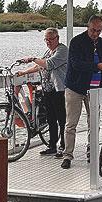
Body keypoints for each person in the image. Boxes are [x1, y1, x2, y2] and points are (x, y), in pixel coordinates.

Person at [61, 15, 102, 169]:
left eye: (99, 31)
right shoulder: (77, 42)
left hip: (95, 91)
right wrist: (97, 66)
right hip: (75, 88)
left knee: (94, 124)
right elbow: (76, 64)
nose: (96, 34)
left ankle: (91, 153)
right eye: (93, 30)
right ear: (88, 26)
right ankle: (67, 156)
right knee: (71, 124)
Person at [15, 27, 68, 155]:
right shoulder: (48, 51)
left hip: (59, 90)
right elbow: (40, 65)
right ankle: (52, 146)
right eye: (46, 39)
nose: (48, 41)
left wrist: (33, 58)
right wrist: (24, 72)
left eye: (51, 39)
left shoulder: (62, 50)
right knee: (50, 119)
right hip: (48, 90)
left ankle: (63, 146)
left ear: (57, 38)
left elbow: (48, 64)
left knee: (62, 119)